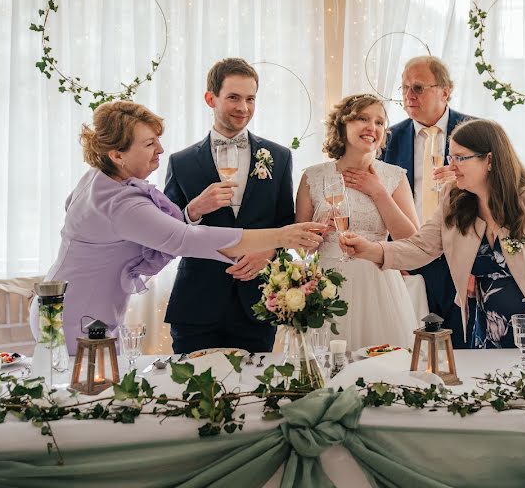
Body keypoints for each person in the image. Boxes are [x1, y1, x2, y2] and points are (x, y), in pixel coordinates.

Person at [31, 101, 323, 355]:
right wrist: (282, 235)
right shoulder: (120, 203)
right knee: (85, 398)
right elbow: (186, 238)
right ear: (116, 155)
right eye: (148, 144)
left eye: (157, 140)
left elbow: (154, 231)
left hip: (66, 304)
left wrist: (192, 211)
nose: (160, 149)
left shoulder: (99, 178)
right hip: (76, 314)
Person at [341, 118, 525, 349]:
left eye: (460, 158)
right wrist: (371, 250)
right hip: (489, 335)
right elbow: (421, 248)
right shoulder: (454, 201)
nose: (451, 165)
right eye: (451, 157)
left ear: (489, 160)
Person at [163, 58, 296, 353]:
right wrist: (194, 210)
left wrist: (270, 251)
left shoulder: (279, 156)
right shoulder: (181, 162)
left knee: (255, 397)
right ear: (211, 98)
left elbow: (287, 223)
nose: (243, 108)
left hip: (259, 304)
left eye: (250, 99)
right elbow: (165, 233)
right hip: (196, 305)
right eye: (233, 97)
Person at [295, 93, 420, 351]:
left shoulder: (393, 177)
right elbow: (299, 249)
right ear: (342, 125)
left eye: (379, 122)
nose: (371, 128)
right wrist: (320, 228)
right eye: (362, 118)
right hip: (326, 284)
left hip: (378, 285)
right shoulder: (313, 177)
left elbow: (411, 242)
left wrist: (378, 192)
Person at [380, 56, 474, 349]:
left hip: (464, 253)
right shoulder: (388, 138)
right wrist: (394, 256)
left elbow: (499, 192)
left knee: (464, 345)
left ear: (444, 91)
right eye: (404, 88)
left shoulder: (475, 131)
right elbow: (377, 201)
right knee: (416, 347)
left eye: (418, 87)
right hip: (413, 257)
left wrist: (464, 179)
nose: (409, 95)